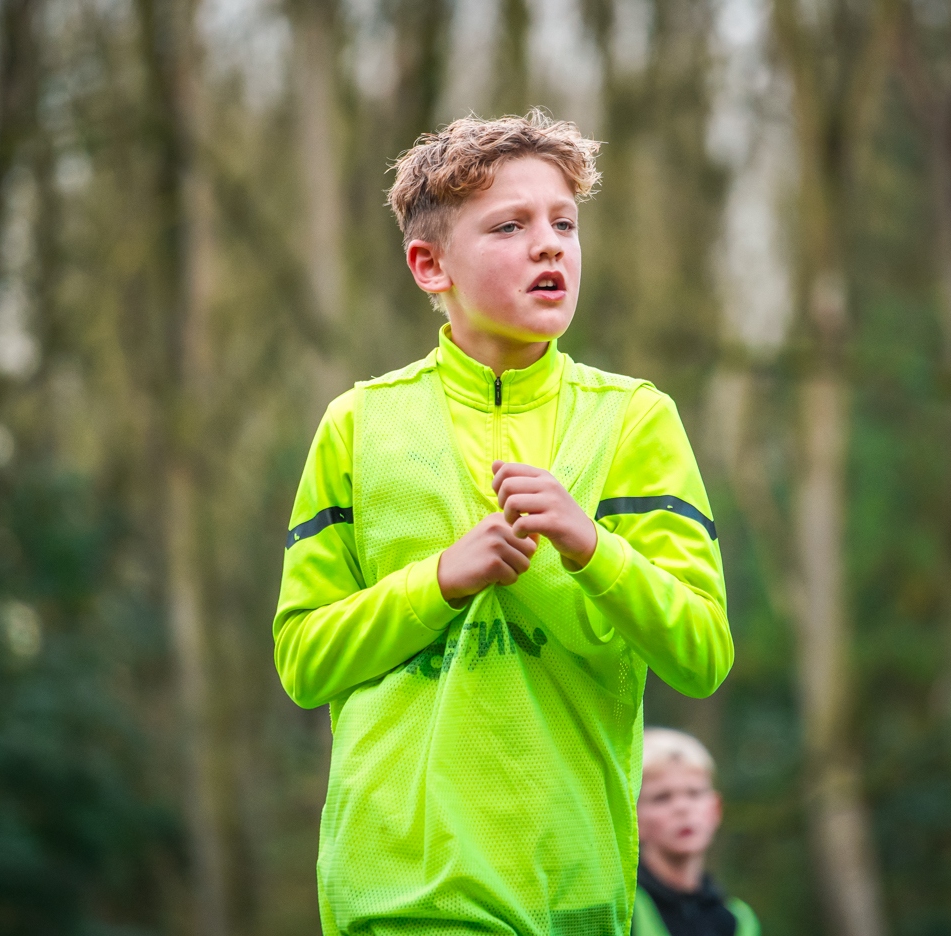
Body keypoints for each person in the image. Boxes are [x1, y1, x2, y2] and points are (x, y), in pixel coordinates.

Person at [273, 110, 734, 936]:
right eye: (510, 226)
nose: (549, 246)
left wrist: (589, 545)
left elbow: (701, 653)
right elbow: (303, 661)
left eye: (564, 224)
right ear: (430, 265)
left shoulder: (635, 421)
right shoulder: (357, 425)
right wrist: (440, 581)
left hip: (576, 892)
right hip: (401, 895)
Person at [635, 728, 759, 936]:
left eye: (694, 793)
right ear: (634, 817)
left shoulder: (736, 920)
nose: (682, 808)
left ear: (715, 809)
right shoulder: (620, 911)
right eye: (661, 797)